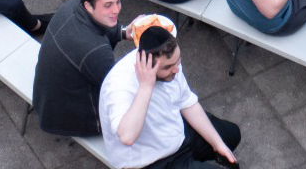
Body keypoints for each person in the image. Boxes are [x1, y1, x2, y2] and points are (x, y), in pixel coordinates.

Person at [99, 26, 241, 169]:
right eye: (167, 67)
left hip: (177, 135)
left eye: (178, 61)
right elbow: (127, 136)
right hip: (154, 161)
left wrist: (218, 145)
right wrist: (146, 87)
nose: (176, 70)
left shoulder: (169, 63)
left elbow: (187, 103)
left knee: (231, 135)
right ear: (148, 65)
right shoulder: (118, 85)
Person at [33, 0, 130, 137]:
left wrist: (125, 32)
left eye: (118, 1)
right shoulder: (95, 50)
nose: (116, 9)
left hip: (45, 98)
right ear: (89, 6)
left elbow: (99, 26)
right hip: (69, 119)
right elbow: (117, 88)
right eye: (108, 5)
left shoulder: (71, 6)